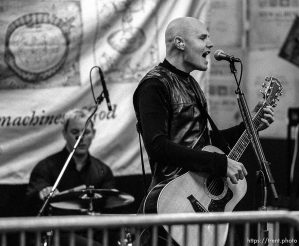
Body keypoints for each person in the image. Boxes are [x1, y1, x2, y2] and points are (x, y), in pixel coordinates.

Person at [133, 17, 274, 245]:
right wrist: (219, 163)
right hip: (171, 200)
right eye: (202, 37)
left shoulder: (192, 85)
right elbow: (157, 146)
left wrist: (250, 127)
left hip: (198, 195)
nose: (210, 43)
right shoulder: (154, 85)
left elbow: (207, 141)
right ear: (179, 42)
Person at [26, 108, 115, 245]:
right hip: (56, 236)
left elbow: (112, 205)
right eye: (75, 132)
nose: (81, 138)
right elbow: (32, 198)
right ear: (64, 134)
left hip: (92, 234)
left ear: (94, 134)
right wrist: (42, 192)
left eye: (86, 132)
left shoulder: (103, 170)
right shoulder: (45, 167)